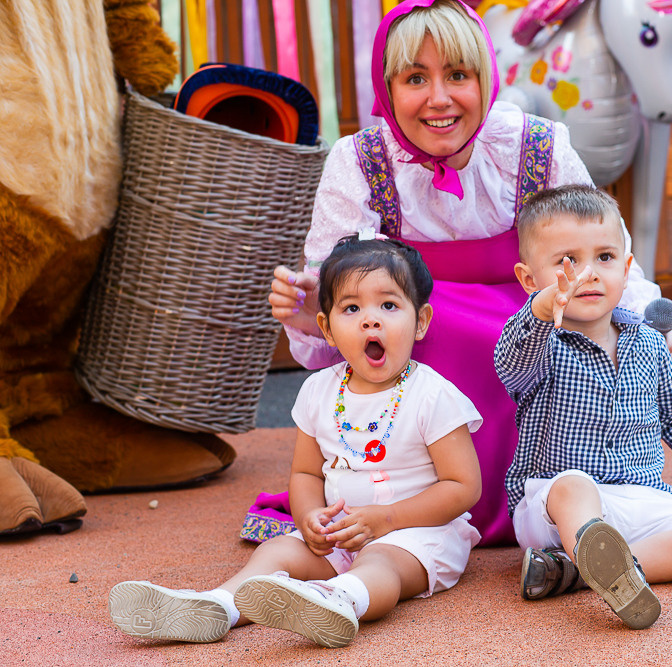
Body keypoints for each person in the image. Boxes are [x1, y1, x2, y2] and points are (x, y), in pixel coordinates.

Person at [268, 0, 668, 546]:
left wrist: (645, 322)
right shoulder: (358, 160)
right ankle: (416, 501)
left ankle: (570, 499)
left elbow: (603, 249)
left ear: (487, 77)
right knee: (411, 318)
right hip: (423, 327)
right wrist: (315, 307)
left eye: (458, 75)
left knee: (548, 330)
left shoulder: (538, 144)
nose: (439, 99)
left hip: (536, 321)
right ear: (386, 89)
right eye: (415, 78)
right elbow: (344, 295)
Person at [109, 234, 483, 648]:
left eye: (389, 305)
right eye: (352, 307)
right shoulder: (319, 392)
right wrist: (309, 519)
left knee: (381, 562)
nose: (370, 320)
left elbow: (463, 486)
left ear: (421, 321)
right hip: (341, 534)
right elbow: (305, 472)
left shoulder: (433, 395)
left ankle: (341, 600)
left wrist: (386, 520)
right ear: (326, 327)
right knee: (278, 551)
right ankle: (217, 606)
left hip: (419, 535)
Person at [494, 185, 672, 630]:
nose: (589, 274)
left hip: (641, 501)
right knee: (574, 486)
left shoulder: (649, 344)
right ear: (529, 279)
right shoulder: (540, 344)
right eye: (566, 262)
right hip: (555, 505)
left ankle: (585, 572)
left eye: (606, 258)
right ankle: (590, 554)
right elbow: (509, 363)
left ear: (627, 269)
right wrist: (540, 310)